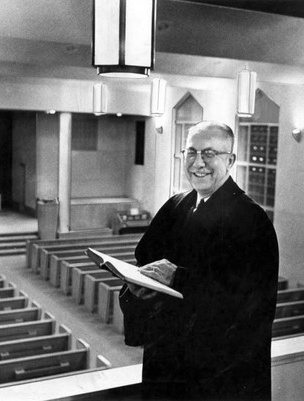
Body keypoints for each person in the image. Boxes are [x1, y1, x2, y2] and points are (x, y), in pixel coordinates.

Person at [119, 121, 279, 400]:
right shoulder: (174, 208)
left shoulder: (251, 220)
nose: (198, 163)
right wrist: (137, 289)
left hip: (218, 375)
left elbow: (246, 303)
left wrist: (178, 278)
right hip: (166, 366)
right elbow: (144, 263)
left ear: (230, 161)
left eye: (209, 153)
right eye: (191, 152)